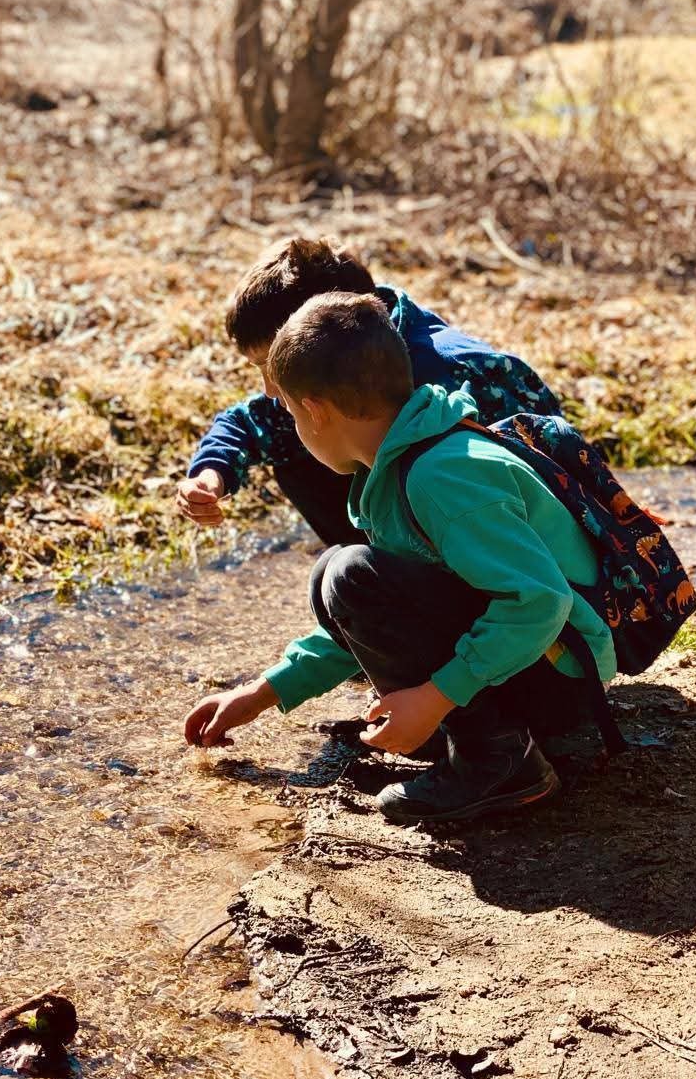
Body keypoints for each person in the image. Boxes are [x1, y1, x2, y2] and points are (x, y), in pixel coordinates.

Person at [183, 292, 617, 824]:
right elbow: (376, 618)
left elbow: (539, 602)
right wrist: (263, 693)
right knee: (338, 575)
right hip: (532, 663)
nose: (294, 426)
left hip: (561, 678)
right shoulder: (400, 461)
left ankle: (498, 759)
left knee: (348, 575)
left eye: (292, 413)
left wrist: (436, 697)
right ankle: (478, 735)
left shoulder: (443, 474)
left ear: (315, 412)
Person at [176, 237, 561, 548]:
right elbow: (249, 422)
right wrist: (210, 477)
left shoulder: (455, 374)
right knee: (294, 437)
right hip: (432, 520)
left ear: (318, 333)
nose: (268, 389)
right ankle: (380, 575)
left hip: (513, 545)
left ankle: (412, 597)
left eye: (270, 367)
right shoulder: (342, 359)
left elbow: (545, 482)